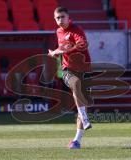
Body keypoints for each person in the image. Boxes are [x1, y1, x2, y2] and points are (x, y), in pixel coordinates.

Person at [48, 7, 93, 149]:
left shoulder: (76, 29)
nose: (60, 20)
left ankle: (76, 141)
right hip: (67, 69)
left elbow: (83, 44)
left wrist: (62, 50)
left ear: (68, 17)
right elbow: (62, 49)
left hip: (84, 69)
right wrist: (56, 53)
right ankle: (85, 119)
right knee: (76, 84)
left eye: (62, 17)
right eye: (57, 18)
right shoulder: (58, 31)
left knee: (82, 106)